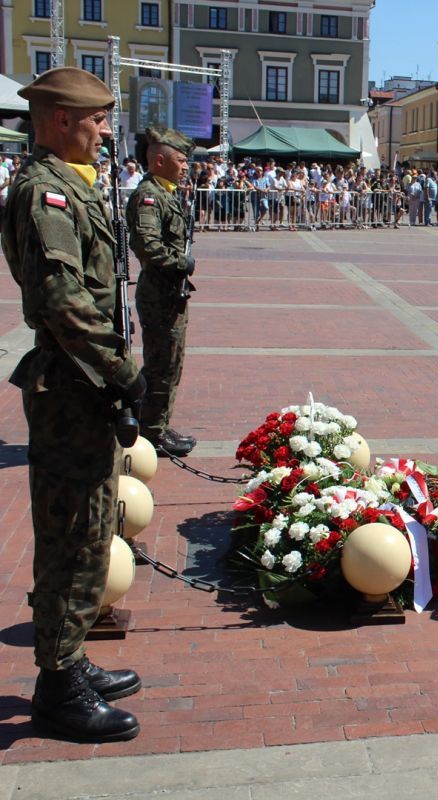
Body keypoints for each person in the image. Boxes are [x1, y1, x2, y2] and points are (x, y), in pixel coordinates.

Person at [2, 67, 144, 743]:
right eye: (94, 121)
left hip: (87, 385)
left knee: (90, 531)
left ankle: (71, 658)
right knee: (70, 537)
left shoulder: (69, 185)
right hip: (70, 386)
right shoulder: (44, 192)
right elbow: (62, 302)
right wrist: (124, 370)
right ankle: (57, 687)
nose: (104, 131)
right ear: (61, 121)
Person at [127, 127, 198, 458]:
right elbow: (148, 246)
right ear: (159, 161)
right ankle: (149, 431)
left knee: (170, 363)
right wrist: (181, 262)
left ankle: (156, 423)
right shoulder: (149, 196)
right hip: (159, 294)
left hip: (170, 293)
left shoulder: (165, 192)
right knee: (160, 365)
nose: (186, 167)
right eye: (181, 161)